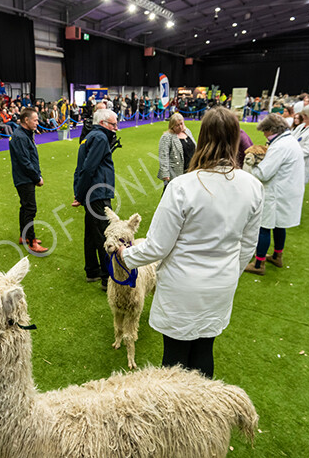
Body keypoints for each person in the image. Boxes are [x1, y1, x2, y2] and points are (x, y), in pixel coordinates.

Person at [117, 108, 263, 377]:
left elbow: (158, 246)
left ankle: (176, 416)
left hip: (183, 286)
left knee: (175, 357)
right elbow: (247, 246)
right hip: (221, 284)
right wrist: (229, 272)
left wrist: (125, 256)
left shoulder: (182, 186)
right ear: (234, 138)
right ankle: (202, 414)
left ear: (203, 137)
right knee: (204, 349)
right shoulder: (253, 186)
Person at [245, 114, 305, 275]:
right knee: (279, 224)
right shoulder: (289, 141)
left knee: (264, 227)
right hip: (286, 191)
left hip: (276, 193)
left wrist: (251, 164)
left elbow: (264, 174)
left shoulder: (280, 146)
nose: (264, 135)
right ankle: (278, 255)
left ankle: (259, 264)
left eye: (265, 131)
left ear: (272, 129)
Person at [73, 108, 119, 291]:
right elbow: (89, 168)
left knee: (92, 234)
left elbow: (84, 168)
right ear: (103, 123)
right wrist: (79, 195)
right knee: (103, 235)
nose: (117, 127)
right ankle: (108, 278)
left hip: (93, 192)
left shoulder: (91, 136)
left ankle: (92, 271)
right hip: (98, 193)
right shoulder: (99, 138)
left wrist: (80, 193)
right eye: (113, 124)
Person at [9, 107, 47, 254]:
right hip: (24, 178)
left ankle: (24, 236)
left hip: (25, 177)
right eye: (35, 120)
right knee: (30, 208)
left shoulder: (25, 134)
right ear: (26, 120)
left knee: (25, 207)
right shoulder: (20, 136)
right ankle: (31, 241)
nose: (37, 122)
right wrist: (37, 177)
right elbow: (25, 161)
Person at [157, 113, 195, 189]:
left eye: (181, 124)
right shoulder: (167, 137)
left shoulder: (187, 131)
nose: (180, 127)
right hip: (175, 172)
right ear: (172, 126)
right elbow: (163, 155)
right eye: (177, 125)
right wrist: (165, 174)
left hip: (190, 170)